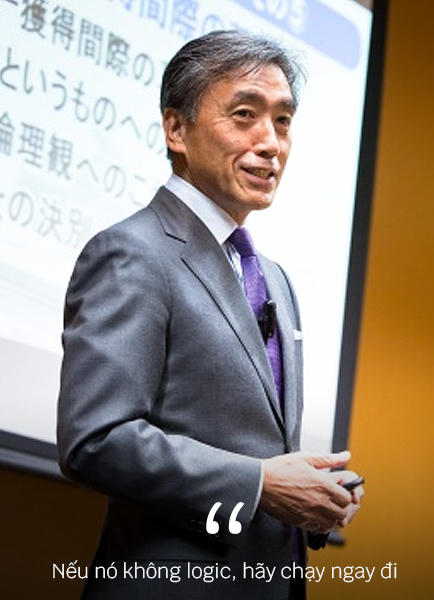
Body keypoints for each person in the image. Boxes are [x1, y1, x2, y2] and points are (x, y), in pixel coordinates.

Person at [57, 30, 363, 600]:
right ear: (176, 129)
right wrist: (260, 483)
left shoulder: (275, 278)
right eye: (245, 115)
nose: (270, 142)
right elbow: (95, 439)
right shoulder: (132, 253)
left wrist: (313, 496)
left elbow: (257, 447)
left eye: (282, 121)